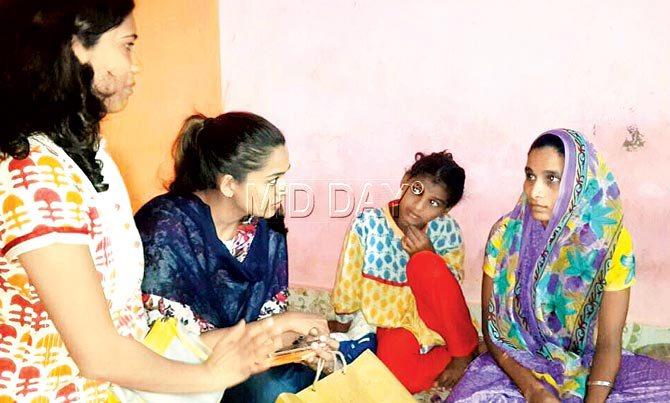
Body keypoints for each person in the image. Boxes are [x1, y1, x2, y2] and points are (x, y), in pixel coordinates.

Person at [0, 2, 298, 400]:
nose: (135, 65)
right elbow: (99, 354)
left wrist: (265, 337)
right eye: (126, 46)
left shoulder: (86, 156)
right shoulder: (36, 175)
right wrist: (214, 374)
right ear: (75, 47)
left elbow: (131, 330)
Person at [448, 129, 670, 402]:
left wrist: (594, 398)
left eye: (552, 179)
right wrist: (533, 389)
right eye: (530, 176)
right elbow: (493, 331)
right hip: (516, 362)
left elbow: (609, 342)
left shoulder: (609, 243)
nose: (535, 191)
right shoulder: (506, 235)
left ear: (581, 184)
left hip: (588, 362)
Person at [135, 112, 330, 403]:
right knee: (271, 391)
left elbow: (268, 322)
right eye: (273, 180)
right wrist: (281, 325)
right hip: (177, 379)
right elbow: (168, 349)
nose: (285, 189)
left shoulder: (265, 226)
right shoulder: (167, 229)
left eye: (285, 176)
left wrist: (303, 344)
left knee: (311, 380)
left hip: (240, 367)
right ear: (228, 184)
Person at [331, 151, 479, 393]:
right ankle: (458, 353)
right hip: (394, 320)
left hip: (436, 320)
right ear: (406, 181)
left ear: (446, 209)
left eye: (434, 203)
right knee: (398, 379)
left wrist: (427, 254)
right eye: (417, 191)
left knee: (425, 265)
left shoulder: (447, 229)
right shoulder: (369, 223)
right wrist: (342, 323)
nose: (418, 207)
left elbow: (451, 293)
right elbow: (348, 280)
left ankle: (463, 353)